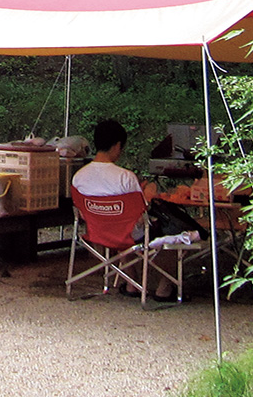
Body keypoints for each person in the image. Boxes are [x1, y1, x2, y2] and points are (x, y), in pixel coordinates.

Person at [72, 118, 179, 302]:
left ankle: (131, 283)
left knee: (120, 229)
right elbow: (140, 212)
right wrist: (148, 193)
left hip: (97, 233)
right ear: (117, 145)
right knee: (172, 231)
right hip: (127, 235)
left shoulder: (78, 177)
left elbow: (81, 211)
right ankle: (165, 287)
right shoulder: (125, 178)